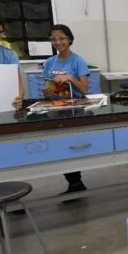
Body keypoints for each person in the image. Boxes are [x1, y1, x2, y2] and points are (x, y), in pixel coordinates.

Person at [42, 24, 90, 195]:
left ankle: (76, 182)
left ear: (69, 39)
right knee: (60, 147)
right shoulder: (49, 62)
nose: (58, 42)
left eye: (62, 38)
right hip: (56, 109)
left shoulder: (78, 61)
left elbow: (85, 90)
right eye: (53, 39)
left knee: (72, 146)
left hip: (75, 109)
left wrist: (71, 78)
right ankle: (74, 183)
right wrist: (47, 92)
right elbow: (48, 88)